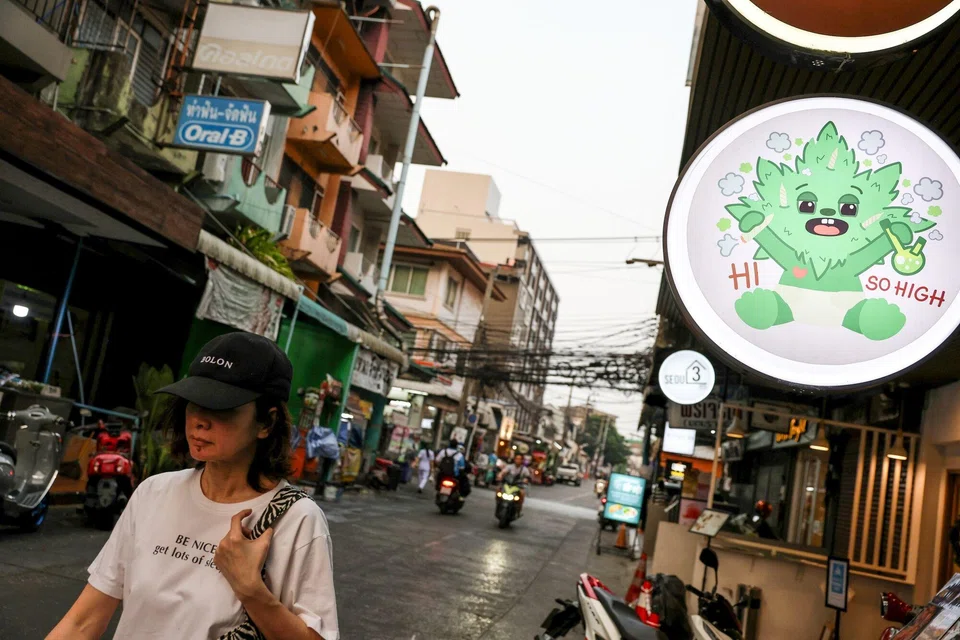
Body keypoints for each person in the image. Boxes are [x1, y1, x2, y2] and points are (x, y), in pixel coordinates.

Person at [48, 332, 338, 640]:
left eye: (222, 407)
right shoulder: (154, 493)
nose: (199, 420)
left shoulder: (297, 521)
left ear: (266, 423)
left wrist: (252, 590)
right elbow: (84, 621)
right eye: (193, 402)